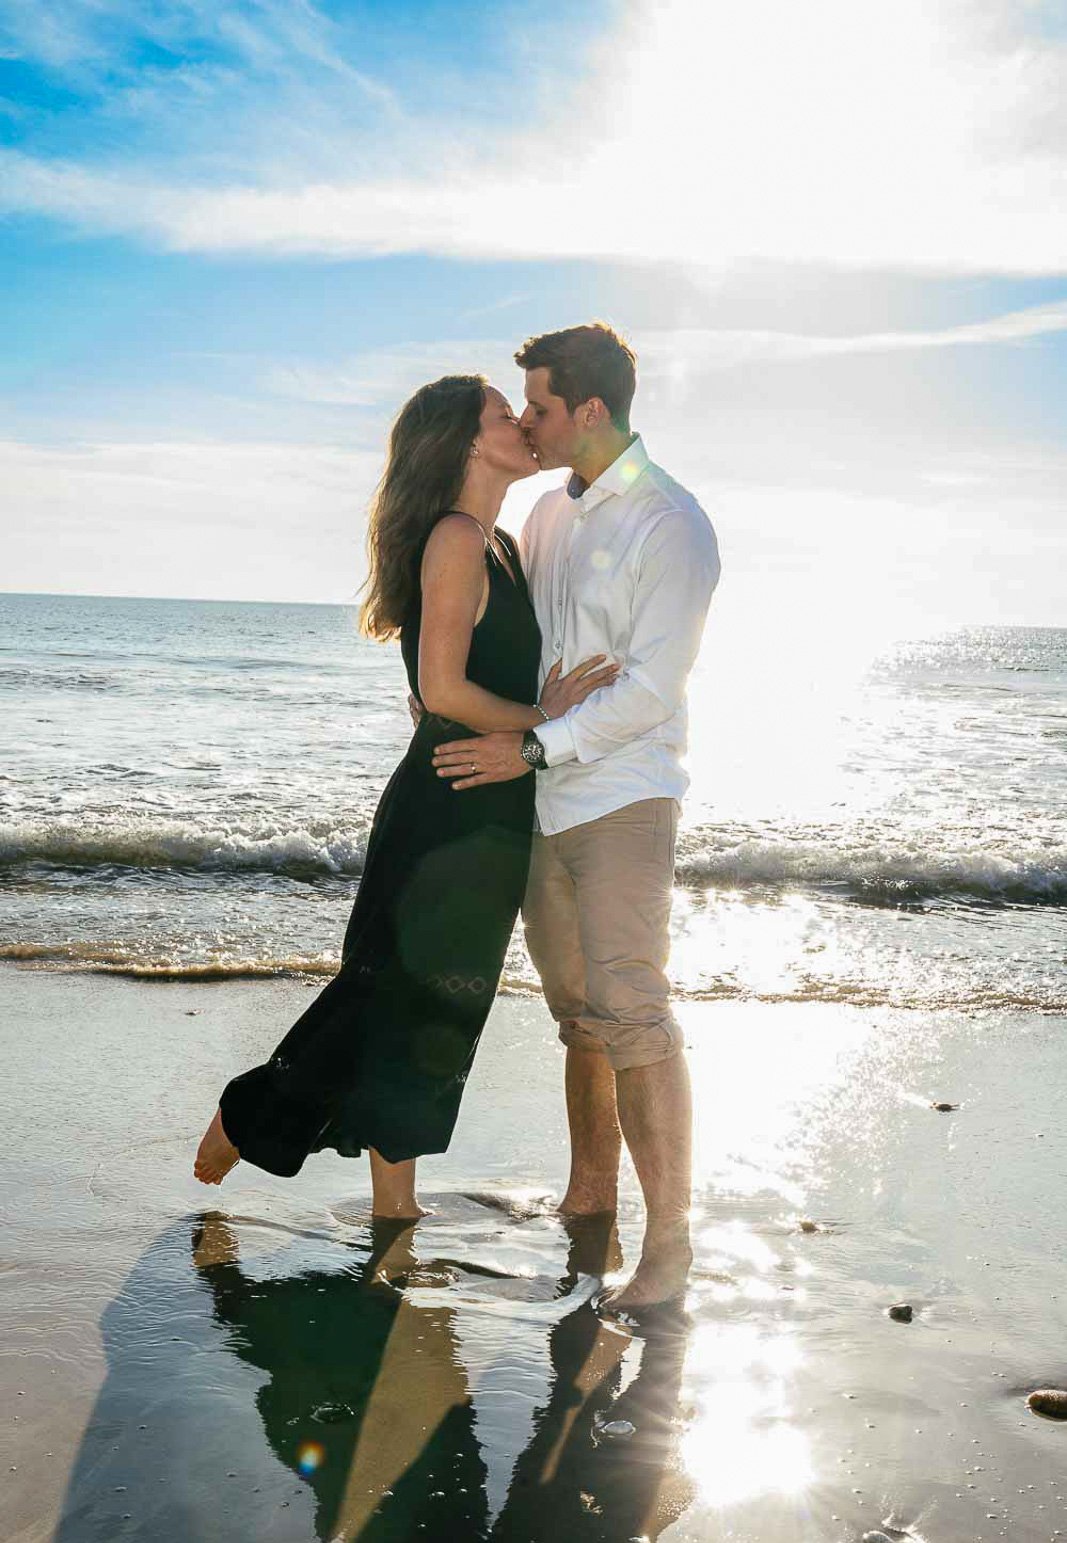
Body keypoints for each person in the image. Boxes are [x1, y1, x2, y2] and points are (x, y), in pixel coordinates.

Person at [194, 375, 617, 1216]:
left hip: (485, 798)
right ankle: (248, 1118)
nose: (524, 425)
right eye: (506, 415)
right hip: (449, 802)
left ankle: (396, 1202)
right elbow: (445, 687)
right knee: (389, 988)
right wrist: (547, 717)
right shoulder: (457, 537)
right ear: (465, 442)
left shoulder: (492, 540)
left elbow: (444, 686)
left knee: (436, 1005)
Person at [432, 325, 720, 1309]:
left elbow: (648, 690)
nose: (526, 420)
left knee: (633, 1012)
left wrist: (536, 742)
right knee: (577, 1020)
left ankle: (668, 1250)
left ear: (588, 411)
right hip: (543, 804)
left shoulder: (670, 523)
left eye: (540, 406)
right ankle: (588, 1193)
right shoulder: (549, 516)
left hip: (623, 798)